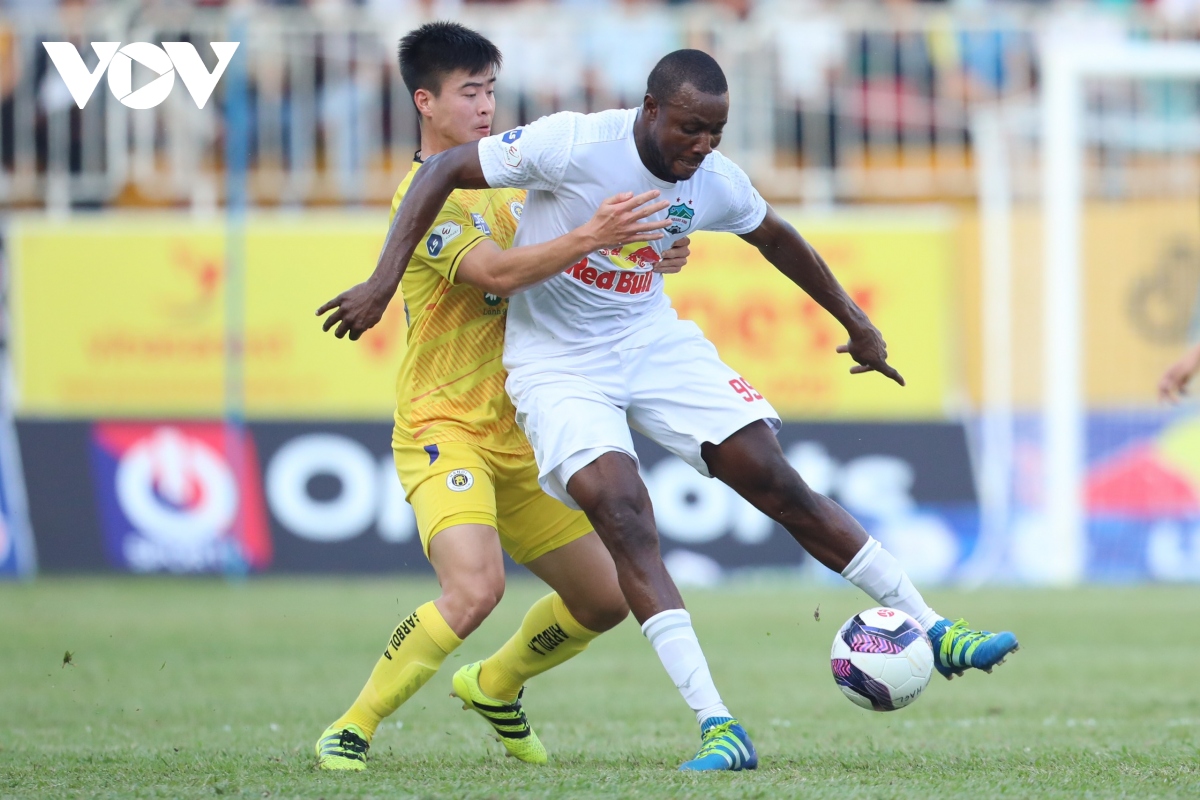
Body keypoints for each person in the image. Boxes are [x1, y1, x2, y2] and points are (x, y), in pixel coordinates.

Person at [321, 48, 1020, 773]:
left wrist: (859, 323)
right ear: (651, 110)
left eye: (715, 132)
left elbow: (774, 235)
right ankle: (716, 725)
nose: (703, 146)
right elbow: (461, 209)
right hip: (550, 372)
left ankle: (936, 628)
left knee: (772, 480)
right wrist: (383, 280)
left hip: (649, 340)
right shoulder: (569, 143)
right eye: (691, 128)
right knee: (617, 515)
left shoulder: (708, 178)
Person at [312, 21, 689, 771]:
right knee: (475, 587)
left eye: (491, 89)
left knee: (607, 598)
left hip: (521, 429)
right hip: (443, 424)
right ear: (426, 101)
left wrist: (647, 247)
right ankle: (351, 726)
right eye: (469, 92)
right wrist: (591, 237)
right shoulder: (427, 202)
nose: (487, 107)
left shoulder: (514, 180)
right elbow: (497, 274)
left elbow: (571, 256)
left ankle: (494, 683)